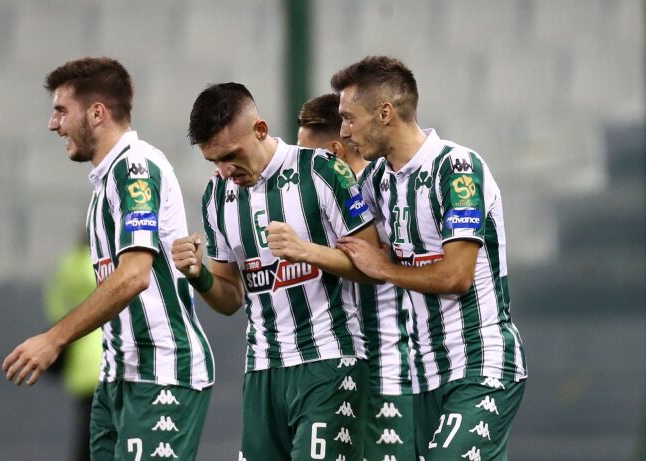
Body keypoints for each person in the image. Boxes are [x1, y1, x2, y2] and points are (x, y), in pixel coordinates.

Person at [2, 57, 214, 461]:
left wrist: (53, 339)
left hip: (160, 374)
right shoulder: (104, 185)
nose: (53, 124)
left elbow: (135, 276)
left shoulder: (135, 170)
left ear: (97, 113)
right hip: (116, 378)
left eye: (61, 111)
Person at [332, 56, 528, 461]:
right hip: (424, 377)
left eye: (349, 118)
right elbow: (350, 246)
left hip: (481, 364)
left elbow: (457, 276)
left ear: (385, 113)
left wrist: (384, 267)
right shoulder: (377, 180)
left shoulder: (456, 169)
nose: (344, 131)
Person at [171, 82, 379, 461]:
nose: (224, 170)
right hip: (262, 371)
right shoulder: (216, 196)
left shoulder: (323, 171)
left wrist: (306, 251)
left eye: (230, 155)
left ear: (260, 130)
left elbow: (375, 265)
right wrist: (197, 275)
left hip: (329, 362)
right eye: (213, 161)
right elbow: (230, 298)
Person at [298, 93, 416, 461]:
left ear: (333, 151)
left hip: (389, 372)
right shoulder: (320, 198)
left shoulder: (381, 192)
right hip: (338, 372)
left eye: (305, 155)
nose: (299, 166)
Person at [43, 234, 101, 461]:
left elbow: (55, 306)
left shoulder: (68, 264)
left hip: (80, 362)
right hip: (104, 360)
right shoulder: (101, 261)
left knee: (88, 433)